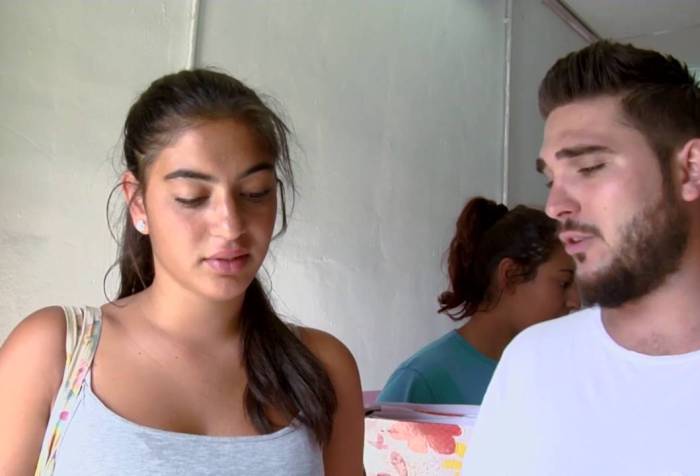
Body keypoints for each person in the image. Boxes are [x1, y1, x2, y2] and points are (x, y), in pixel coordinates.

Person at [0, 69, 364, 476]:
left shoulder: (324, 368)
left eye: (254, 193)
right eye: (192, 197)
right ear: (138, 203)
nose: (230, 226)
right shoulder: (54, 352)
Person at [463, 41, 700, 475]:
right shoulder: (533, 363)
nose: (555, 205)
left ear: (690, 169)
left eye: (589, 168)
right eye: (551, 179)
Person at [377, 197, 579, 405]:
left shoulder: (560, 374)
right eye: (564, 283)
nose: (576, 302)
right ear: (510, 275)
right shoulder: (421, 382)